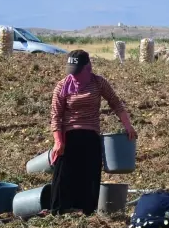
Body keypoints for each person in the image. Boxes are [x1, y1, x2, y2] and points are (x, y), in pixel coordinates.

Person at [49, 50, 135, 214]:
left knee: (89, 177)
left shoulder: (98, 82)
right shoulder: (62, 86)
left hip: (91, 136)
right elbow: (56, 116)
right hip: (69, 136)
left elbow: (115, 103)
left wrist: (128, 126)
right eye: (72, 71)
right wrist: (58, 142)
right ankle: (60, 212)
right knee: (63, 177)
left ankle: (86, 212)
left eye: (78, 72)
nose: (74, 76)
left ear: (87, 68)